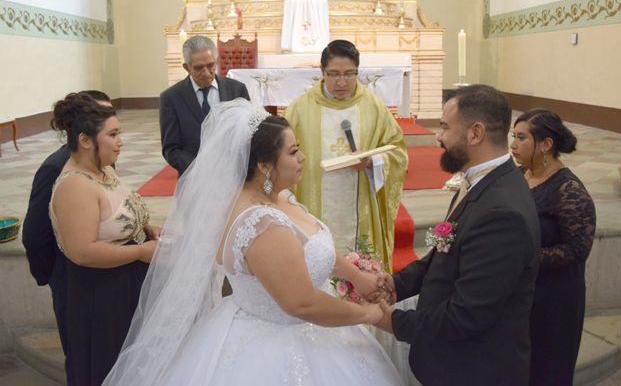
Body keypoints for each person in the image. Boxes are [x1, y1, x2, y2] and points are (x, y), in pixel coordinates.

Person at [104, 99, 401, 385]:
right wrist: (370, 314)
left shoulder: (277, 197)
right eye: (293, 151)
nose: (302, 158)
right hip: (282, 342)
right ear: (263, 165)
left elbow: (312, 247)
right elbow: (302, 303)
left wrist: (357, 276)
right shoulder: (263, 225)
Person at [373, 85, 540, 385]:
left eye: (445, 127)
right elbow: (444, 254)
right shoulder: (481, 182)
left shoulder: (502, 214)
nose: (439, 136)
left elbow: (468, 313)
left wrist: (391, 321)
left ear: (475, 133)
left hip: (474, 370)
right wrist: (397, 284)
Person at [49, 93, 158, 386]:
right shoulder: (75, 186)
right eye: (113, 134)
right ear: (85, 140)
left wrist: (146, 228)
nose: (120, 141)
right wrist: (140, 253)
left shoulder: (104, 169)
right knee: (108, 366)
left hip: (125, 285)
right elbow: (81, 251)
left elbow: (115, 216)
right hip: (102, 294)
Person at [284, 40, 408, 268]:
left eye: (350, 74)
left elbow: (397, 150)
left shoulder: (373, 106)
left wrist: (373, 162)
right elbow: (281, 154)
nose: (342, 82)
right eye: (334, 74)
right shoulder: (300, 109)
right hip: (314, 205)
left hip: (359, 203)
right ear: (322, 72)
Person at [22, 90, 112, 363]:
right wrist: (54, 278)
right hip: (73, 279)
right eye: (101, 117)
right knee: (82, 353)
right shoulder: (56, 168)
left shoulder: (104, 161)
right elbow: (35, 235)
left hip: (105, 279)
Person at [511, 108, 596, 386]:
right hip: (524, 293)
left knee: (547, 371)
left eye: (522, 138)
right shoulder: (520, 174)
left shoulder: (569, 190)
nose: (513, 144)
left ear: (546, 144)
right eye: (514, 136)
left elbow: (577, 249)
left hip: (555, 300)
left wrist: (526, 259)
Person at [160, 35, 250, 176]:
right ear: (186, 67)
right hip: (195, 178)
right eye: (198, 68)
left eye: (210, 65)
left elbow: (249, 133)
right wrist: (199, 168)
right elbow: (171, 149)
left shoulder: (237, 90)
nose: (206, 73)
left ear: (217, 61)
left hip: (235, 174)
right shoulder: (171, 98)